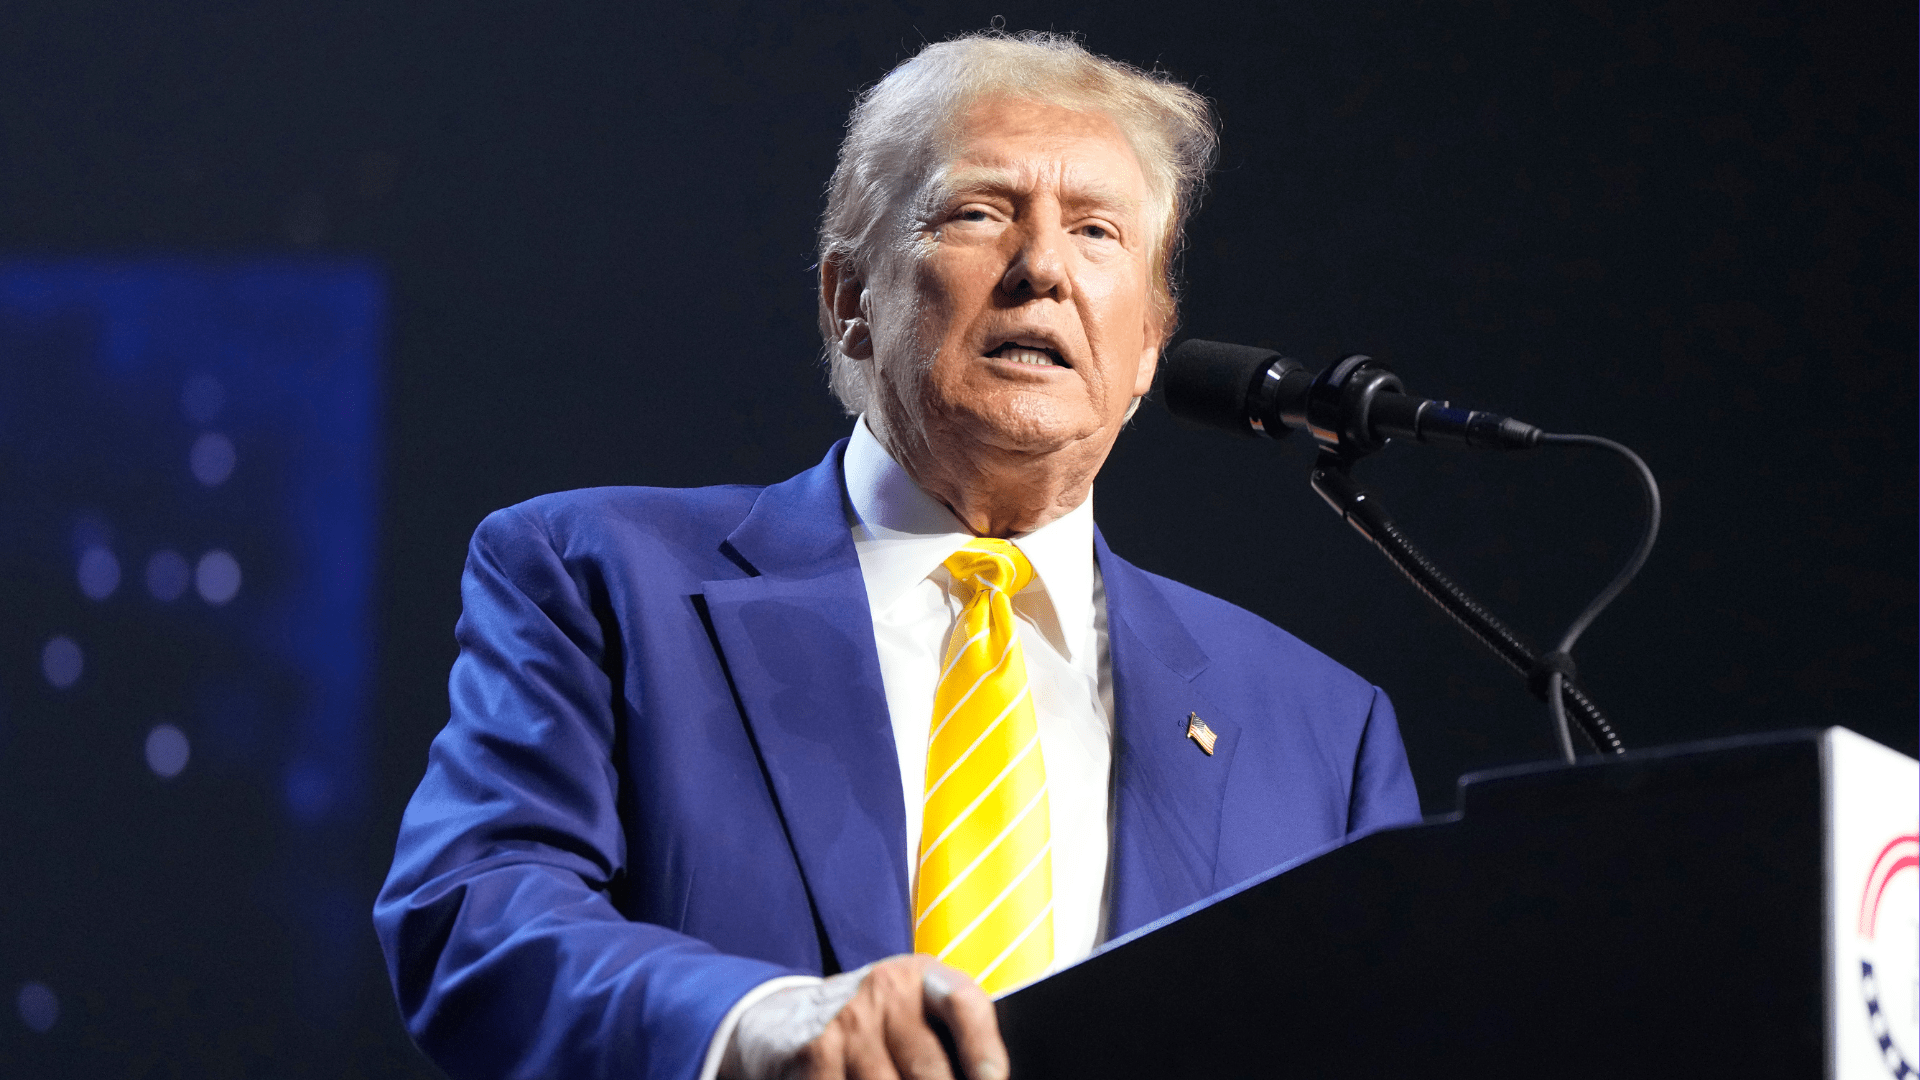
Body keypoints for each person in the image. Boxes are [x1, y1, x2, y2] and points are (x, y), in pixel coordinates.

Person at [375, 30, 1420, 1080]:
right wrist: (759, 1024)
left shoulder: (1325, 735)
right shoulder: (599, 578)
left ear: (1149, 342)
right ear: (849, 299)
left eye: (1098, 231)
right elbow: (476, 911)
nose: (1043, 270)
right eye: (980, 212)